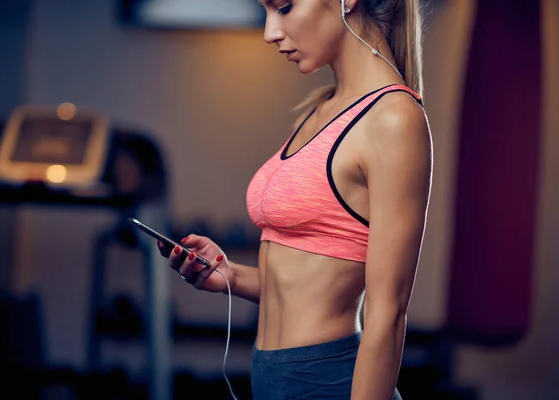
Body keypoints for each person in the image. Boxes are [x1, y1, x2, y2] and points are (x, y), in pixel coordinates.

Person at [159, 0, 432, 399]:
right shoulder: (319, 111)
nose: (270, 32)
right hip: (274, 378)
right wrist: (230, 276)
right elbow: (311, 279)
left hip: (330, 382)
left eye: (284, 8)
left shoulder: (393, 120)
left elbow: (387, 313)